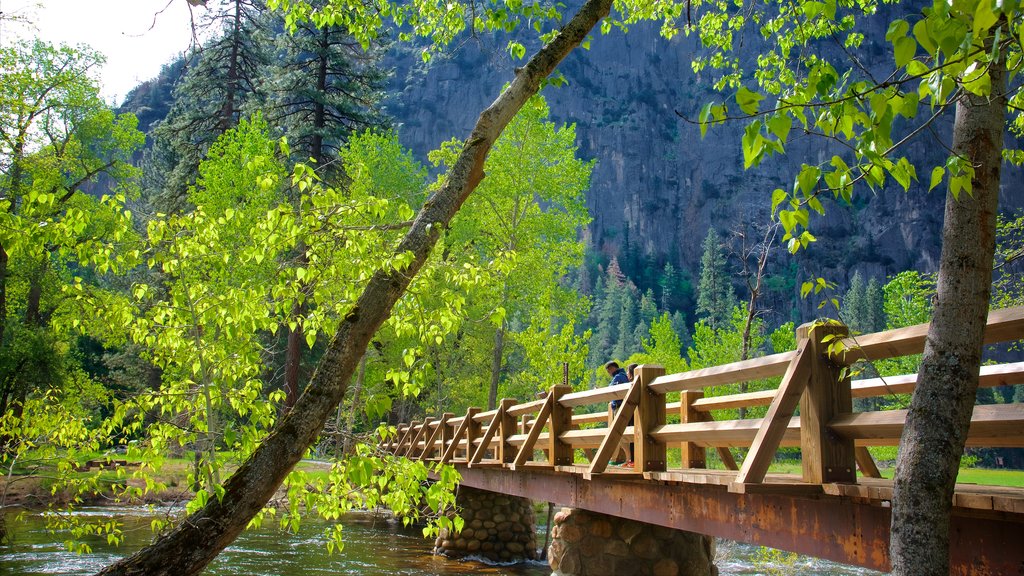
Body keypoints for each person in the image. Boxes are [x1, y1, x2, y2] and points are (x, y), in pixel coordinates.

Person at [605, 361, 635, 467]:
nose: (609, 373)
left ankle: (629, 459)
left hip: (619, 407)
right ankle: (630, 459)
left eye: (609, 370)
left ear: (612, 368)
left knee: (619, 434)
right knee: (624, 434)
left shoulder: (618, 377)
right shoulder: (623, 376)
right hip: (624, 407)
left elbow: (610, 390)